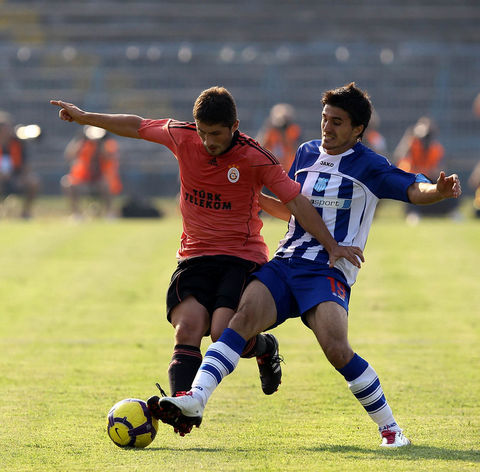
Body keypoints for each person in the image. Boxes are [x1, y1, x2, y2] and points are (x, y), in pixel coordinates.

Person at [155, 82, 462, 447]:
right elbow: (293, 208)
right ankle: (196, 399)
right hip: (286, 262)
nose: (326, 128)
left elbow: (413, 188)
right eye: (324, 118)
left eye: (337, 122)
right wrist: (254, 200)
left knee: (336, 346)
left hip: (327, 270)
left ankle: (391, 429)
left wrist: (437, 191)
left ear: (357, 129)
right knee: (239, 322)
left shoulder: (371, 166)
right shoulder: (305, 153)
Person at [50, 88, 363, 434]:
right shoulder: (182, 138)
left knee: (221, 332)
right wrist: (84, 116)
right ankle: (182, 407)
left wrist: (332, 246)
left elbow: (296, 203)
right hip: (195, 257)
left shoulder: (256, 157)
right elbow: (136, 125)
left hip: (241, 258)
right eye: (202, 132)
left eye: (216, 134)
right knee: (186, 330)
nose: (208, 141)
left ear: (234, 127)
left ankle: (263, 347)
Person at [60, 125, 122, 218]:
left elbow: (108, 157)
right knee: (67, 183)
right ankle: (76, 214)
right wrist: (80, 139)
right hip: (83, 178)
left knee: (105, 185)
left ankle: (109, 213)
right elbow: (69, 155)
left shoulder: (108, 143)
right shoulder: (82, 144)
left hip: (101, 178)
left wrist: (100, 143)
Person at [393, 116, 445, 223]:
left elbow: (440, 169)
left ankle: (450, 211)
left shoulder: (436, 148)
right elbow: (399, 156)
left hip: (429, 179)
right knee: (411, 188)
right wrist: (409, 137)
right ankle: (413, 214)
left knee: (445, 186)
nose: (425, 139)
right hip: (413, 179)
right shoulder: (411, 143)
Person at [0, 111, 40, 218]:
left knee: (33, 182)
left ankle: (25, 212)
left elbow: (26, 164)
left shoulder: (19, 143)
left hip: (16, 176)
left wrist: (22, 177)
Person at [256, 103, 301, 172]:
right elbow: (259, 147)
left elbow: (296, 149)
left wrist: (284, 137)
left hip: (289, 169)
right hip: (273, 168)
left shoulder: (293, 131)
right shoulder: (270, 132)